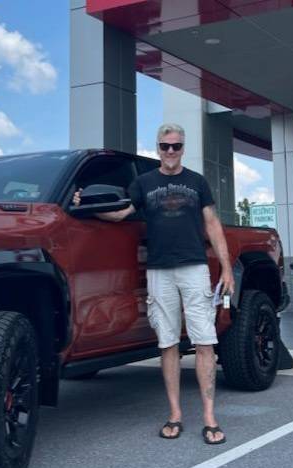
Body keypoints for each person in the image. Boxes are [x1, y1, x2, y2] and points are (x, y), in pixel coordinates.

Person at [73, 123, 234, 444]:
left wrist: (227, 269)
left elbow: (213, 225)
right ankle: (175, 414)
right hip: (159, 271)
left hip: (194, 269)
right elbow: (121, 214)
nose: (170, 152)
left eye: (175, 146)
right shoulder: (143, 182)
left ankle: (209, 416)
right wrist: (84, 205)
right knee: (168, 343)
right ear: (157, 148)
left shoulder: (196, 181)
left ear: (183, 148)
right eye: (164, 146)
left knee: (204, 341)